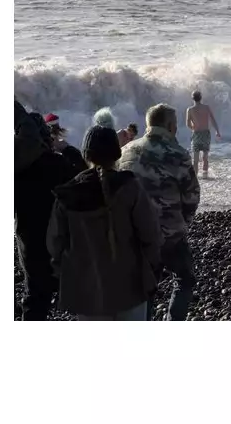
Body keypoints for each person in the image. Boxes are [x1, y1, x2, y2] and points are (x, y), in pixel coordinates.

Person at [48, 127, 161, 321]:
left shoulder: (67, 194)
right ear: (117, 153)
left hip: (87, 294)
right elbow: (151, 235)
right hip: (131, 288)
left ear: (86, 154)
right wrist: (150, 269)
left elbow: (55, 244)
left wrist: (65, 275)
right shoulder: (130, 187)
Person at [119, 103, 201, 320]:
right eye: (175, 124)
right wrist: (182, 223)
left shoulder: (126, 151)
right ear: (170, 126)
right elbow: (192, 196)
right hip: (170, 233)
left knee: (145, 286)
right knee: (185, 279)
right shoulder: (178, 154)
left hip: (136, 235)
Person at [14, 100, 87, 321]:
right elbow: (84, 182)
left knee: (35, 298)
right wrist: (70, 151)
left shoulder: (17, 171)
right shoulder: (59, 164)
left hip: (30, 244)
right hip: (61, 245)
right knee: (80, 295)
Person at [186, 90, 221, 179]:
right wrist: (217, 131)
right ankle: (205, 176)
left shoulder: (190, 110)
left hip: (196, 135)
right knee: (205, 157)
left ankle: (195, 178)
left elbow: (188, 124)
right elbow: (213, 120)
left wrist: (193, 128)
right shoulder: (206, 108)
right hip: (205, 134)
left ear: (192, 98)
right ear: (201, 98)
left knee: (196, 159)